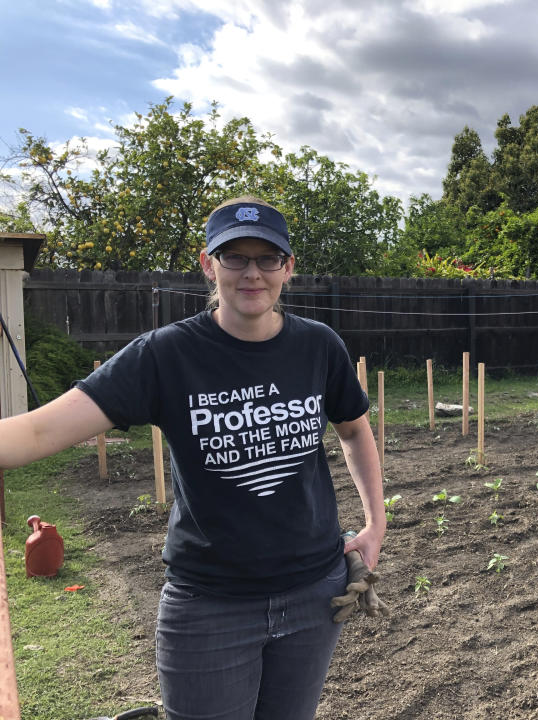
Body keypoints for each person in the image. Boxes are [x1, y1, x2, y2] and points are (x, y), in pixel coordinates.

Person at [0, 195, 386, 719]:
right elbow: (41, 431)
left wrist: (375, 523)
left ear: (288, 268)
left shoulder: (318, 346)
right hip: (211, 607)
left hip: (313, 593)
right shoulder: (165, 355)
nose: (252, 273)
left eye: (267, 258)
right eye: (235, 257)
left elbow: (354, 431)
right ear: (209, 263)